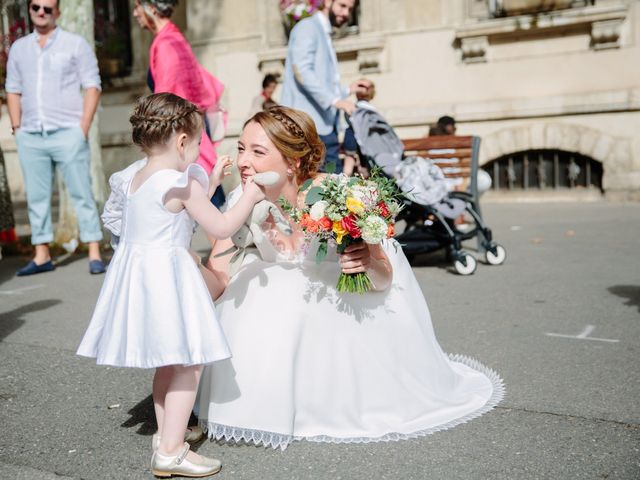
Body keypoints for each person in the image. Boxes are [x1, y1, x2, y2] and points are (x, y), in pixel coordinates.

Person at [196, 106, 504, 449]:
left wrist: (365, 264)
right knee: (259, 294)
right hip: (287, 300)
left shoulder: (341, 194)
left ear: (292, 162)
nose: (242, 161)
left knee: (295, 303)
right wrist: (183, 261)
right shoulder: (242, 199)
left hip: (343, 299)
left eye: (257, 152)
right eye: (240, 148)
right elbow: (220, 281)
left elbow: (384, 277)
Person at [76, 93, 265, 477]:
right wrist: (251, 194)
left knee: (169, 356)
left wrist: (208, 182)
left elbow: (156, 219)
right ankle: (171, 451)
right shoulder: (181, 184)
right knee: (189, 361)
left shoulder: (132, 177)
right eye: (197, 145)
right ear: (182, 142)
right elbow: (223, 227)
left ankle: (167, 433)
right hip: (169, 278)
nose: (197, 152)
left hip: (139, 276)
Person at [5, 0, 105, 276]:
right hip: (31, 135)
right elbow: (12, 89)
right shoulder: (19, 48)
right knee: (37, 198)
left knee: (82, 193)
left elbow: (92, 86)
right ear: (29, 9)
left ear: (57, 12)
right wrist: (18, 128)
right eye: (36, 6)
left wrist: (82, 128)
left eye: (47, 9)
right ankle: (42, 255)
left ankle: (94, 250)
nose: (40, 12)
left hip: (67, 132)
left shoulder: (75, 44)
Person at [132, 0, 227, 207]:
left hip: (183, 139)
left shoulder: (167, 44)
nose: (135, 13)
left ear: (152, 9)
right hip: (187, 134)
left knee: (209, 209)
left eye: (138, 6)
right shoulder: (171, 38)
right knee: (210, 207)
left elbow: (165, 104)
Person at [281, 0, 370, 174]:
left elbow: (320, 79)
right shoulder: (308, 27)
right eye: (342, 6)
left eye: (350, 9)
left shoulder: (323, 31)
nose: (346, 13)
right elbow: (301, 70)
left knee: (330, 189)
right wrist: (335, 100)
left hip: (324, 127)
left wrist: (348, 90)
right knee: (322, 190)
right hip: (307, 127)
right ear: (327, 2)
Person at [342, 80, 376, 177]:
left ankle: (344, 178)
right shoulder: (372, 109)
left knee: (349, 162)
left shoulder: (352, 106)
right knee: (365, 166)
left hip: (351, 136)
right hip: (365, 139)